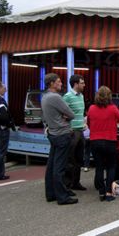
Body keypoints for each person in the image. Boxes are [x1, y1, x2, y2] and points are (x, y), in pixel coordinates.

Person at [87, 86, 119, 202]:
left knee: (99, 167)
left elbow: (89, 123)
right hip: (110, 141)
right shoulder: (113, 108)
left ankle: (101, 192)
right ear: (109, 96)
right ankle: (109, 192)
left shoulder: (91, 108)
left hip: (95, 141)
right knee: (111, 167)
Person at [41, 73, 78, 205]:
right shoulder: (56, 98)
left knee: (51, 165)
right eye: (59, 81)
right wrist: (65, 117)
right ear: (51, 83)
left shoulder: (45, 97)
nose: (61, 83)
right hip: (62, 133)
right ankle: (62, 196)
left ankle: (51, 193)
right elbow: (71, 114)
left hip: (53, 133)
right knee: (59, 167)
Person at [62, 74, 87, 191]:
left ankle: (76, 183)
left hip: (80, 131)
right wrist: (68, 127)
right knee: (70, 159)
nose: (84, 85)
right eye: (82, 83)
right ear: (76, 84)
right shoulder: (67, 97)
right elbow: (61, 114)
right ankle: (67, 185)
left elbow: (80, 114)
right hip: (72, 132)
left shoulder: (81, 96)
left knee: (79, 158)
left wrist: (84, 122)